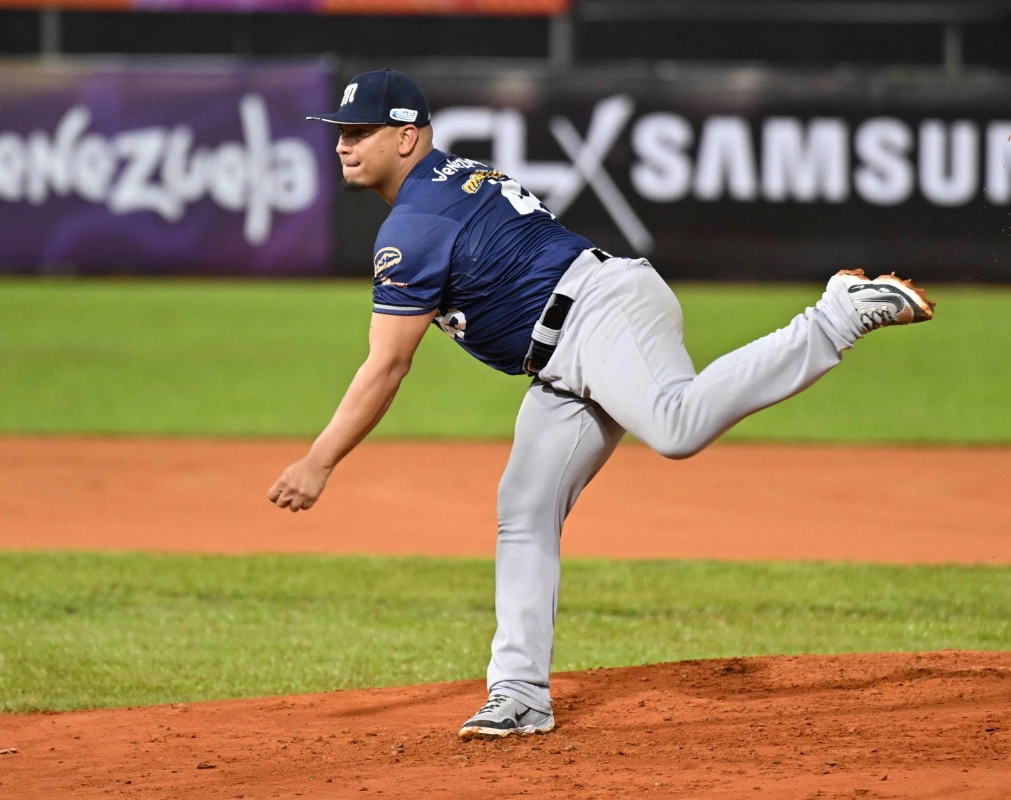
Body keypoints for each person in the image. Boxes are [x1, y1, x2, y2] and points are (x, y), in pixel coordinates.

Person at [266, 69, 935, 740]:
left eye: (359, 132)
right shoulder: (450, 177)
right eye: (340, 133)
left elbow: (388, 365)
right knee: (524, 511)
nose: (343, 146)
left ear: (407, 137)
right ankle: (520, 694)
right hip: (565, 351)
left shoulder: (412, 229)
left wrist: (319, 460)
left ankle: (834, 319)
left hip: (597, 314)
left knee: (675, 425)